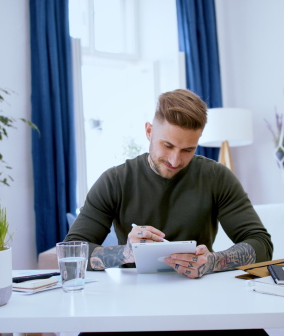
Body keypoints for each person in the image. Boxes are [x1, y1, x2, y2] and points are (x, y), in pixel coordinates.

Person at [65, 89, 272, 335]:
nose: (175, 160)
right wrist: (126, 253)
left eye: (188, 150)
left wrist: (212, 262)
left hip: (203, 300)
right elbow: (72, 251)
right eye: (168, 145)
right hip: (132, 305)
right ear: (149, 131)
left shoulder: (217, 177)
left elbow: (261, 244)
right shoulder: (115, 181)